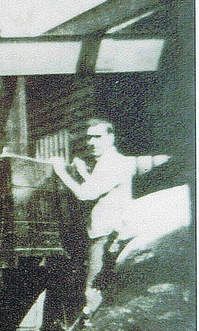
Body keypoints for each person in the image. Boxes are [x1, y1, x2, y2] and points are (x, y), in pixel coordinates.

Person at [50, 119, 137, 316]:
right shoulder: (114, 161)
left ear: (111, 138)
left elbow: (85, 194)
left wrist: (60, 170)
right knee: (107, 292)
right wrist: (83, 172)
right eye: (89, 137)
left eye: (97, 137)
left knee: (93, 293)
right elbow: (104, 190)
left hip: (105, 238)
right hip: (111, 236)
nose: (91, 142)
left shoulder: (111, 162)